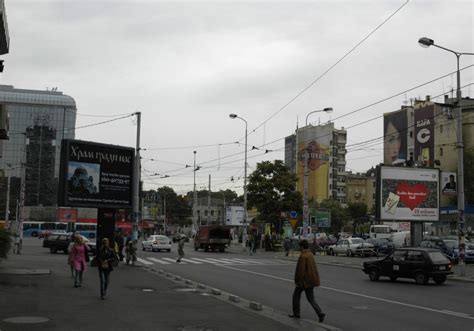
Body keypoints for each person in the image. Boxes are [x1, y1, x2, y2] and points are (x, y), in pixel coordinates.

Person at [288, 239, 325, 323]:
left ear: (302, 246)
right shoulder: (310, 254)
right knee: (311, 299)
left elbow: (301, 270)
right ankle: (320, 313)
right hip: (311, 280)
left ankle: (296, 313)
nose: (299, 248)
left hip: (304, 281)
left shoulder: (303, 256)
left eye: (299, 246)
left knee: (296, 296)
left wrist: (298, 281)